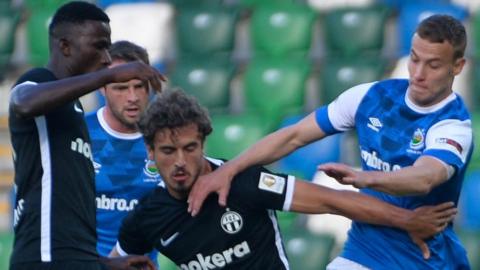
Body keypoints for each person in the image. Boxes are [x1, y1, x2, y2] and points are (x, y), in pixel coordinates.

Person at [187, 14, 473, 269]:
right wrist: (230, 168)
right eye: (414, 59)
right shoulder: (371, 98)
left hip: (425, 258)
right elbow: (294, 136)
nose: (419, 74)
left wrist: (368, 179)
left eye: (433, 65)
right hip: (365, 252)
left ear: (457, 66)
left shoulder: (453, 125)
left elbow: (425, 177)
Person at [109, 89, 456, 269]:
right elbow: (118, 260)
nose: (181, 161)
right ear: (150, 152)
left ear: (203, 143)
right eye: (168, 151)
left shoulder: (243, 182)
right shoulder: (147, 216)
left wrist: (407, 219)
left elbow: (332, 201)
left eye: (190, 147)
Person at [8, 2, 164, 270]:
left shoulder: (73, 112)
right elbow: (22, 101)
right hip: (44, 258)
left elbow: (70, 218)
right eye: (99, 46)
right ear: (66, 46)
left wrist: (105, 264)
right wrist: (109, 74)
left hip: (75, 260)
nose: (105, 58)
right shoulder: (38, 80)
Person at [86, 40, 163, 263]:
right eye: (120, 87)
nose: (132, 97)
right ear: (102, 87)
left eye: (139, 86)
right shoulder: (80, 133)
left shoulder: (165, 141)